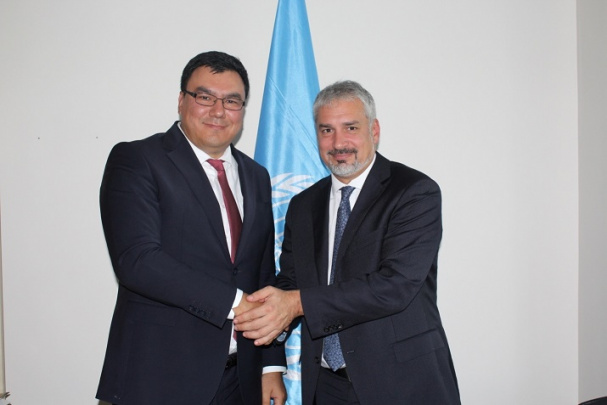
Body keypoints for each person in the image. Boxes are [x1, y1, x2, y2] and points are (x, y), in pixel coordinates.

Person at [234, 80, 460, 404]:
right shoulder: (303, 205)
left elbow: (394, 286)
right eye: (326, 130)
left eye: (350, 128)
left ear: (374, 130)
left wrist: (296, 304)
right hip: (325, 386)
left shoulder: (413, 192)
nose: (338, 143)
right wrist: (268, 331)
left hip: (402, 383)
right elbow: (291, 283)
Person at [96, 51, 286, 405]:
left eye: (232, 101)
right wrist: (235, 303)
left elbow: (261, 273)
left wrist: (270, 365)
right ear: (181, 100)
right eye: (205, 97)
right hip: (159, 378)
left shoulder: (256, 176)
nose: (218, 111)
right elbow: (137, 261)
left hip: (241, 381)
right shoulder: (137, 160)